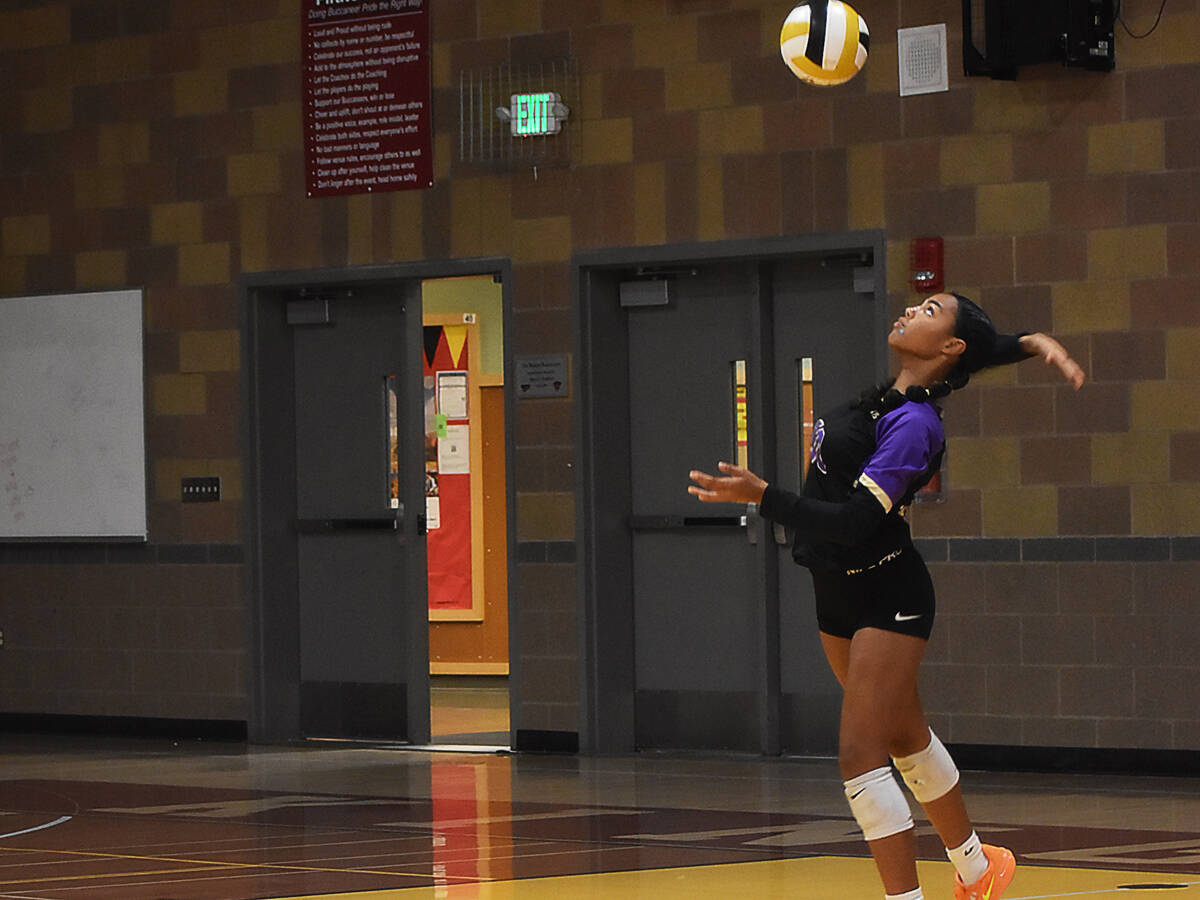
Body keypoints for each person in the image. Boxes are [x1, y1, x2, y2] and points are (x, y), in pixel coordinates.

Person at [688, 292, 1084, 900]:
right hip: (834, 591)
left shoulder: (916, 425)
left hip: (888, 594)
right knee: (905, 738)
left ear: (949, 347)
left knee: (859, 755)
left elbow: (852, 522)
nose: (910, 310)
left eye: (930, 310)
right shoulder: (889, 399)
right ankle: (980, 870)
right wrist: (1028, 343)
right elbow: (975, 351)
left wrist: (762, 496)